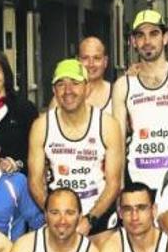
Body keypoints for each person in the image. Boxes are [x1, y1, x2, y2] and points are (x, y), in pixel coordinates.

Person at [111, 9, 168, 194]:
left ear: (166, 37)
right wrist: (120, 186)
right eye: (141, 35)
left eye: (154, 34)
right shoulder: (123, 85)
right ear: (133, 42)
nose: (147, 42)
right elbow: (118, 142)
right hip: (137, 180)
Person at [28, 59, 124, 238]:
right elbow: (35, 182)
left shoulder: (107, 125)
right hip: (58, 219)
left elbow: (113, 183)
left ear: (87, 88)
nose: (68, 90)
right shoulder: (41, 126)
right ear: (54, 91)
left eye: (75, 83)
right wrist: (56, 216)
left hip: (98, 214)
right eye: (61, 84)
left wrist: (89, 220)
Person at [49, 37, 114, 115]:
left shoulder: (117, 93)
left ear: (105, 61)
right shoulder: (64, 96)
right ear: (77, 61)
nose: (91, 64)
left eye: (96, 58)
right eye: (85, 58)